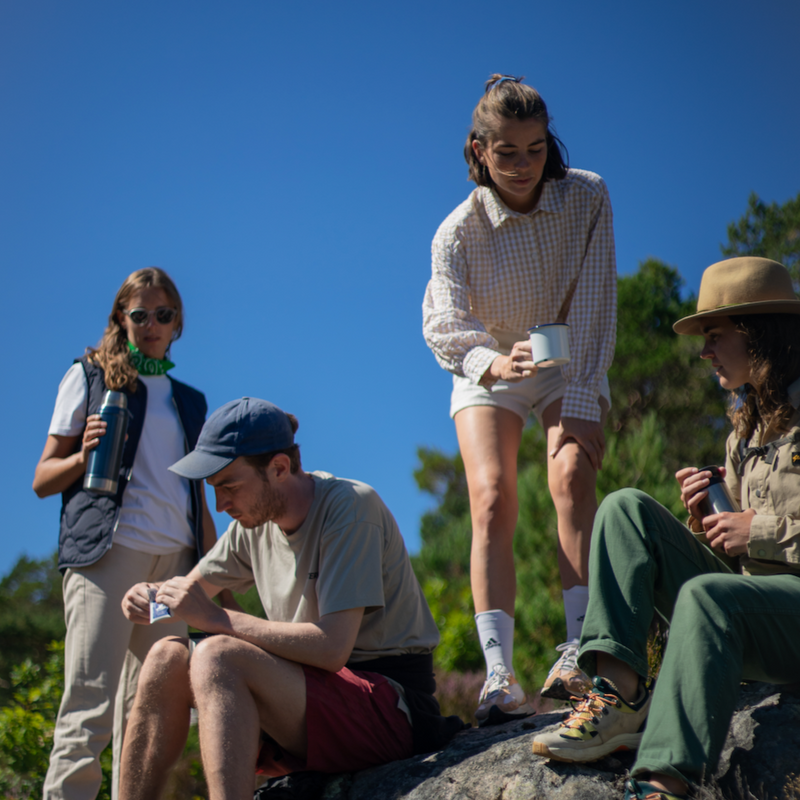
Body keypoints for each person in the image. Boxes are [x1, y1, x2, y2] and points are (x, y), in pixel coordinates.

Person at [531, 257, 800, 799]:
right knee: (623, 507)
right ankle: (619, 695)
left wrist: (760, 531)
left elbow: (759, 543)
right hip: (753, 610)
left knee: (708, 598)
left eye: (715, 335)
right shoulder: (743, 433)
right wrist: (709, 526)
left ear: (760, 335)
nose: (703, 352)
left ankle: (662, 783)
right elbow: (739, 564)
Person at [117, 397, 465, 800]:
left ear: (280, 468)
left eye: (229, 486)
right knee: (165, 657)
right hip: (309, 701)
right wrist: (152, 595)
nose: (220, 504)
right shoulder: (252, 523)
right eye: (213, 490)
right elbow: (192, 590)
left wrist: (215, 619)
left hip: (388, 706)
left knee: (217, 654)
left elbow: (333, 647)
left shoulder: (350, 507)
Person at [422, 73, 617, 721]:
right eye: (507, 152)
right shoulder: (455, 232)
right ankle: (499, 676)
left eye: (535, 149)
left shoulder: (587, 196)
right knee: (491, 498)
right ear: (478, 150)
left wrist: (584, 395)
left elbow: (595, 302)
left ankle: (579, 652)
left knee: (569, 476)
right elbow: (443, 327)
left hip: (568, 358)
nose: (524, 165)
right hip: (490, 365)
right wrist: (494, 361)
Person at [33, 267, 222, 800]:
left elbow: (197, 497)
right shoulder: (89, 376)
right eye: (140, 315)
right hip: (107, 556)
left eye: (163, 315)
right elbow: (42, 479)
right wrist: (81, 455)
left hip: (175, 565)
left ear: (177, 321)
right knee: (89, 706)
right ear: (121, 317)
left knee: (152, 715)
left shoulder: (190, 400)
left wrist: (213, 573)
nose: (152, 325)